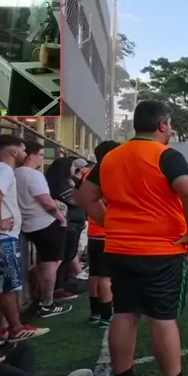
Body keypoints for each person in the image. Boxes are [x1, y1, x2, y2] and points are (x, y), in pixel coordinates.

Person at [74, 101, 188, 376]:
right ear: (162, 125)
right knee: (162, 318)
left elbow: (86, 197)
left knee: (124, 314)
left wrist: (110, 223)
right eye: (170, 125)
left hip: (120, 249)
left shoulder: (111, 157)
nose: (171, 130)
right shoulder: (166, 155)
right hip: (161, 251)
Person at [0, 134, 47, 345]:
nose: (26, 154)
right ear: (14, 151)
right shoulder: (4, 170)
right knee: (8, 287)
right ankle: (16, 328)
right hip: (0, 238)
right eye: (24, 150)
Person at [17, 142, 73, 319]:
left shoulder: (15, 173)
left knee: (42, 263)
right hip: (44, 223)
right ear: (32, 155)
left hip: (27, 224)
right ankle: (46, 303)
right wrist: (61, 218)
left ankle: (39, 297)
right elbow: (45, 201)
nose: (43, 158)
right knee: (51, 263)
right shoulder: (33, 175)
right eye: (41, 154)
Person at [79, 140, 119, 329]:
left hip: (94, 233)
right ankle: (106, 315)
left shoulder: (88, 174)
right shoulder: (107, 174)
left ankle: (95, 312)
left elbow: (79, 196)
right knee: (105, 277)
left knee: (94, 274)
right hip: (105, 232)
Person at [44, 155, 86, 297]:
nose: (75, 169)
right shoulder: (60, 185)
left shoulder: (67, 183)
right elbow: (77, 201)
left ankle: (64, 284)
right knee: (62, 258)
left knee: (68, 255)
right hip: (67, 224)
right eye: (72, 166)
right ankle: (58, 288)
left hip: (73, 224)